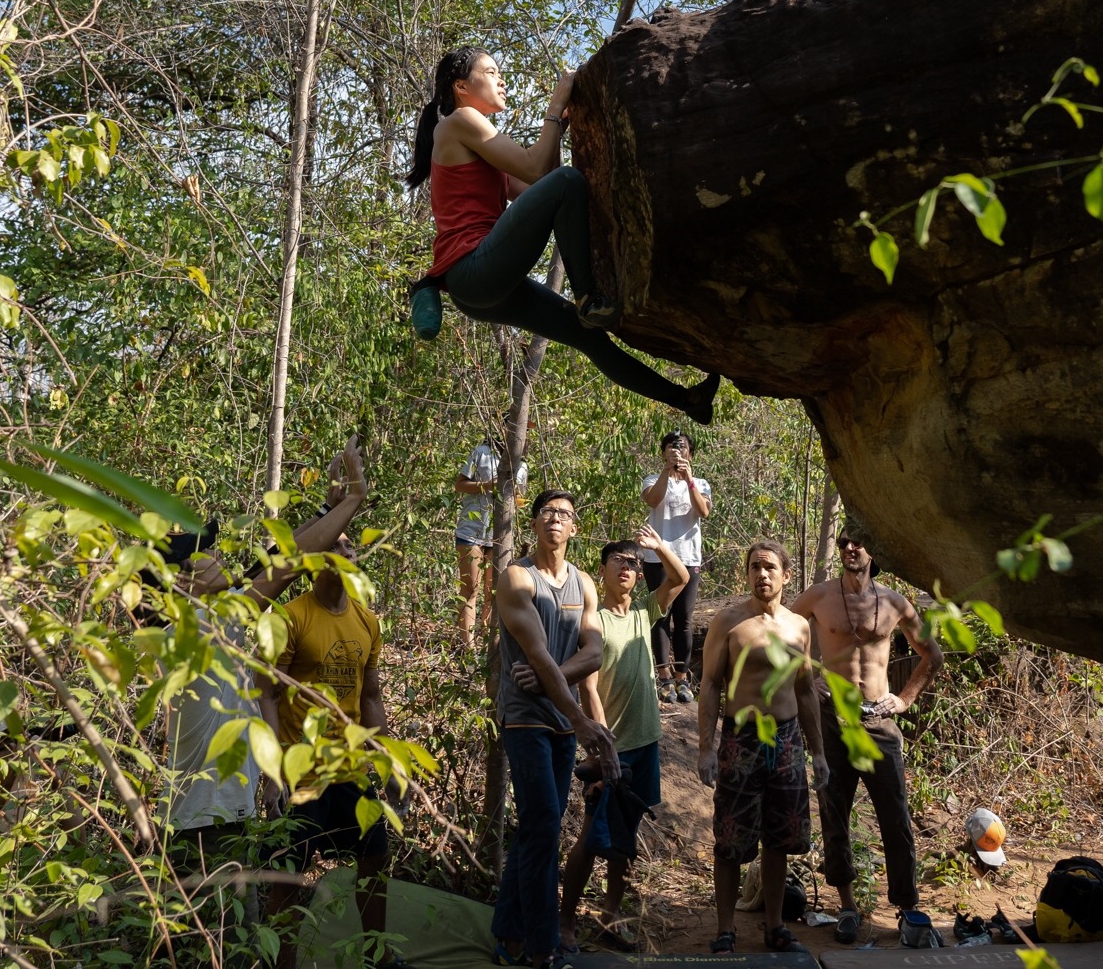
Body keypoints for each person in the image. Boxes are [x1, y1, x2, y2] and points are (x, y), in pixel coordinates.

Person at [406, 47, 720, 422]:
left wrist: (560, 128)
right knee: (569, 181)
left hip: (480, 290)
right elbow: (546, 177)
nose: (502, 80)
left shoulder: (478, 143)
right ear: (461, 86)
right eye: (491, 72)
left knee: (587, 337)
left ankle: (689, 401)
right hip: (474, 268)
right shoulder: (461, 120)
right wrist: (555, 106)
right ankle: (587, 297)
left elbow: (537, 188)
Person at [162, 436, 370, 867]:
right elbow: (288, 567)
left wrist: (328, 512)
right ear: (182, 582)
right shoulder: (200, 626)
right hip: (206, 824)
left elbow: (272, 560)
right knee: (221, 932)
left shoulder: (203, 616)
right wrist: (355, 499)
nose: (216, 555)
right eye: (203, 553)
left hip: (213, 814)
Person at [790, 529, 944, 944]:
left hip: (878, 719)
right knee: (834, 812)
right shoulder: (818, 596)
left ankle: (907, 908)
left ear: (874, 551)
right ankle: (847, 906)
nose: (849, 548)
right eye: (843, 543)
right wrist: (810, 673)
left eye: (857, 542)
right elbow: (780, 632)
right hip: (832, 720)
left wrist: (906, 698)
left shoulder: (894, 602)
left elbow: (933, 655)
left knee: (896, 817)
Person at [256, 526, 394, 969]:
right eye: (332, 544)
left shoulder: (367, 620)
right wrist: (274, 774)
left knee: (375, 857)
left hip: (348, 768)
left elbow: (370, 698)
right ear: (313, 559)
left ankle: (377, 953)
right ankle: (284, 963)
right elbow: (268, 695)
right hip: (302, 769)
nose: (343, 548)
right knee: (289, 878)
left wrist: (390, 764)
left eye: (349, 543)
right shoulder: (288, 616)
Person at [492, 489, 619, 967]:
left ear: (574, 529)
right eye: (547, 512)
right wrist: (580, 717)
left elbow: (594, 653)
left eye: (564, 515)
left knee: (537, 827)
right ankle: (542, 947)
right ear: (535, 523)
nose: (555, 520)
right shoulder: (517, 578)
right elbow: (537, 651)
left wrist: (552, 681)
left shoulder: (585, 583)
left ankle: (507, 933)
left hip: (559, 721)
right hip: (525, 719)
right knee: (544, 822)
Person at [558, 526, 690, 953]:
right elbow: (588, 688)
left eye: (634, 564)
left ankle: (610, 917)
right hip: (610, 746)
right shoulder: (592, 621)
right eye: (620, 561)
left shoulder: (643, 613)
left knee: (625, 836)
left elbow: (681, 579)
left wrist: (658, 548)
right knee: (592, 838)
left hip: (646, 741)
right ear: (603, 569)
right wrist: (603, 746)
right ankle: (565, 922)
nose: (629, 568)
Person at [697, 540, 828, 955]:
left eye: (770, 567)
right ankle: (725, 930)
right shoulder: (729, 622)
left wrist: (818, 750)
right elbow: (711, 685)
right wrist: (705, 747)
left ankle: (774, 927)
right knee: (732, 838)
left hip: (786, 739)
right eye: (755, 567)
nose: (762, 575)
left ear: (786, 575)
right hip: (742, 739)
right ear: (747, 573)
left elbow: (806, 690)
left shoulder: (799, 627)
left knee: (780, 837)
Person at [640, 430, 710, 703]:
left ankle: (682, 678)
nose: (677, 452)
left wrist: (688, 477)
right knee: (660, 616)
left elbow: (703, 511)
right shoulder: (652, 479)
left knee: (683, 619)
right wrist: (666, 471)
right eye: (671, 448)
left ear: (691, 454)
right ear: (663, 452)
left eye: (682, 449)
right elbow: (653, 500)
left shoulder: (701, 483)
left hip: (688, 556)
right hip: (658, 557)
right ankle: (664, 676)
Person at [453, 437, 526, 649]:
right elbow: (460, 485)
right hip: (472, 530)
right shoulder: (481, 453)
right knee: (470, 590)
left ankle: (488, 647)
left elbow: (520, 496)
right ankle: (467, 648)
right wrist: (487, 485)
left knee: (493, 593)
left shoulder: (522, 465)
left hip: (501, 534)